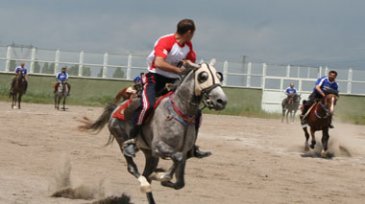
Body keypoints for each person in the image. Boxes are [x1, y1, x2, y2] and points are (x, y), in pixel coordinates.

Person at [123, 19, 210, 158]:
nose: (193, 36)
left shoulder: (188, 45)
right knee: (147, 106)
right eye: (193, 33)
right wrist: (178, 70)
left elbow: (190, 62)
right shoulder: (166, 41)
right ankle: (132, 141)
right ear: (189, 32)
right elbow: (158, 63)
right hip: (154, 78)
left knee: (196, 111)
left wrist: (189, 64)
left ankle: (191, 146)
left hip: (173, 81)